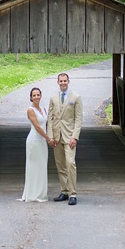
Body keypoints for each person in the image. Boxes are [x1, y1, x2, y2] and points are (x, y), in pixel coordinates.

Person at [48, 72, 83, 206]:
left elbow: (78, 119)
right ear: (58, 82)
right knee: (60, 165)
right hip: (57, 136)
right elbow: (50, 119)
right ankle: (64, 190)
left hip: (69, 137)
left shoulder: (76, 97)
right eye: (60, 81)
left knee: (70, 163)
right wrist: (50, 136)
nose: (63, 83)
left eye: (65, 81)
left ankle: (73, 193)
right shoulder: (53, 98)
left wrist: (75, 137)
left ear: (68, 81)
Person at [19, 87, 51, 202]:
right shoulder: (30, 110)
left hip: (42, 141)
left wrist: (50, 135)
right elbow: (37, 126)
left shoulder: (44, 109)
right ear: (31, 97)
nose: (36, 97)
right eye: (34, 95)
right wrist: (48, 138)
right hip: (34, 140)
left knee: (42, 166)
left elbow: (47, 124)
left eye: (38, 95)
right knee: (33, 166)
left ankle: (41, 193)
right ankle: (32, 193)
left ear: (41, 96)